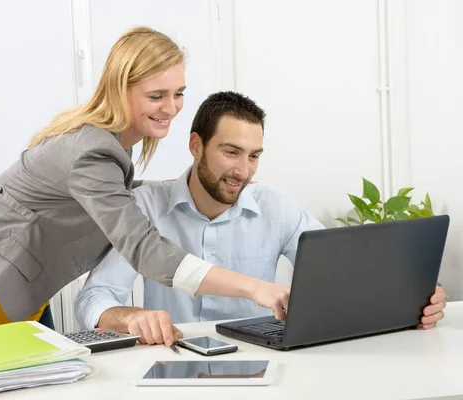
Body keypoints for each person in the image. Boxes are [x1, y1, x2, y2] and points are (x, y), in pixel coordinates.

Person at [0, 27, 292, 343]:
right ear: (120, 90)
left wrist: (159, 186)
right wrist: (256, 287)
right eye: (156, 96)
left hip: (17, 288)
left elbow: (96, 192)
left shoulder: (109, 145)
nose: (171, 108)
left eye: (178, 93)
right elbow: (146, 251)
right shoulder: (91, 150)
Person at [74, 91, 448, 346]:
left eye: (254, 156)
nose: (243, 170)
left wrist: (413, 301)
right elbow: (94, 298)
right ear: (195, 146)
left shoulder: (277, 208)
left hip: (265, 362)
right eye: (231, 152)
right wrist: (129, 318)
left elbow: (343, 280)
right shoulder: (144, 207)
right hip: (178, 358)